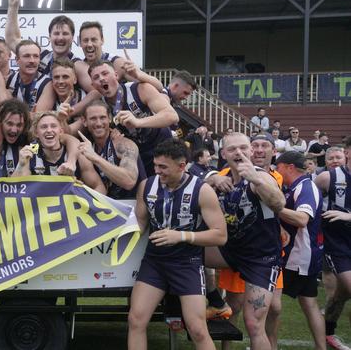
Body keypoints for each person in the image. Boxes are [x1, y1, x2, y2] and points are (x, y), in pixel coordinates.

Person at [128, 139, 227, 350]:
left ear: (182, 166)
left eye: (163, 167)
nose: (157, 171)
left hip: (187, 262)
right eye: (155, 165)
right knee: (136, 320)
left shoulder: (202, 190)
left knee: (197, 328)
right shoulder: (147, 185)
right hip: (155, 261)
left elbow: (220, 236)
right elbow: (140, 224)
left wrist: (182, 236)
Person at [205, 132, 285, 349]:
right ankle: (213, 300)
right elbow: (195, 179)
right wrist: (212, 178)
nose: (238, 153)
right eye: (232, 149)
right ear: (223, 154)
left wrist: (256, 179)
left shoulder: (260, 176)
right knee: (184, 248)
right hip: (230, 250)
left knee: (253, 324)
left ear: (250, 151)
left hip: (261, 258)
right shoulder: (223, 177)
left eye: (243, 148)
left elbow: (279, 204)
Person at [89, 60, 179, 176]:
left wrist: (138, 122)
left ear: (116, 75)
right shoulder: (99, 106)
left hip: (163, 146)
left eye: (105, 73)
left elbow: (172, 116)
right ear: (93, 85)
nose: (101, 78)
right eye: (96, 77)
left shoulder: (139, 89)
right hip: (138, 156)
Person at [275, 151, 326, 350]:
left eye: (278, 167)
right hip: (294, 256)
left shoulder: (306, 186)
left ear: (289, 167)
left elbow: (302, 219)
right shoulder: (294, 186)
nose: (276, 171)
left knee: (274, 305)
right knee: (308, 304)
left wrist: (274, 207)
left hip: (298, 258)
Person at [314, 136, 351, 350]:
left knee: (343, 293)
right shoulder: (328, 178)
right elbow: (307, 202)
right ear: (347, 152)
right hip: (337, 245)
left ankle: (328, 332)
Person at [12, 111, 106, 194]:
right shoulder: (30, 154)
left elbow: (100, 187)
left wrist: (83, 198)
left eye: (53, 126)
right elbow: (17, 192)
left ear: (61, 131)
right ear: (36, 133)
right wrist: (20, 166)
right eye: (44, 127)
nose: (49, 130)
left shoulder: (78, 154)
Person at [77, 100, 143, 199]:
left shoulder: (124, 144)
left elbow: (129, 181)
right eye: (93, 119)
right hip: (104, 207)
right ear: (84, 121)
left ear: (110, 118)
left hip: (132, 206)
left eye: (102, 118)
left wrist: (95, 158)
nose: (98, 123)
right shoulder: (86, 146)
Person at [5, 0, 78, 76]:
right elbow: (12, 40)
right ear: (49, 37)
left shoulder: (77, 65)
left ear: (72, 38)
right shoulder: (40, 56)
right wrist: (13, 6)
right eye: (56, 33)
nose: (60, 37)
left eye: (65, 33)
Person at [5, 40, 55, 111]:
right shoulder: (10, 79)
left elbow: (38, 117)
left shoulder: (47, 83)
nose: (32, 60)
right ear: (17, 60)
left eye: (36, 56)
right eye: (27, 56)